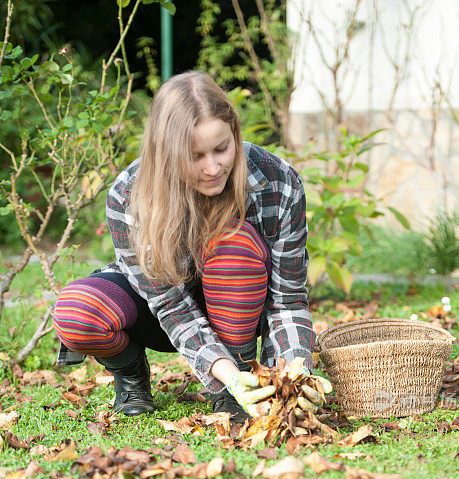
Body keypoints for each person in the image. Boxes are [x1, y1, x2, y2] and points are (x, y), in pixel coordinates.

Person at [53, 71, 331, 423]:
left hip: (241, 300)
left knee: (233, 247)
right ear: (165, 152)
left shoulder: (278, 181)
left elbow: (287, 301)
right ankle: (132, 373)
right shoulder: (128, 194)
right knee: (78, 313)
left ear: (234, 133)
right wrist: (226, 379)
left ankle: (239, 378)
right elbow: (170, 307)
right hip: (164, 310)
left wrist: (290, 374)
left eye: (222, 148)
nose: (213, 168)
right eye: (194, 155)